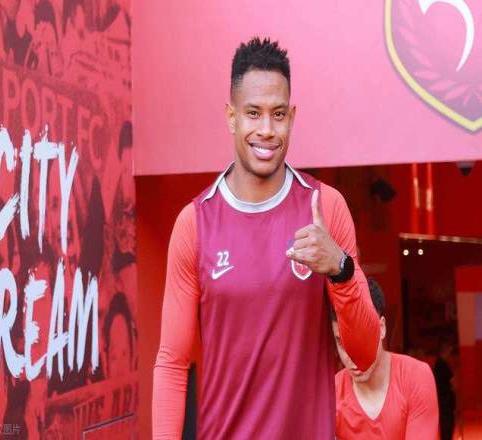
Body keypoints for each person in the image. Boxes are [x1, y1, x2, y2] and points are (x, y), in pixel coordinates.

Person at [153, 37, 380, 439]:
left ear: (292, 117)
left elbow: (363, 355)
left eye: (278, 114)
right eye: (253, 113)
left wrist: (341, 269)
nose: (266, 130)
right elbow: (172, 362)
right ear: (231, 117)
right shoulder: (195, 224)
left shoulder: (326, 208)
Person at [333, 277, 439, 439]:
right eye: (341, 343)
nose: (351, 356)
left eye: (361, 338)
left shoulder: (415, 376)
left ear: (381, 328)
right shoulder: (332, 393)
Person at [433, 339, 456, 440]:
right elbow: (453, 382)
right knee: (447, 427)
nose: (450, 355)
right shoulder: (443, 365)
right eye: (449, 352)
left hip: (441, 400)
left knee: (445, 428)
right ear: (445, 351)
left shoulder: (437, 364)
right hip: (445, 401)